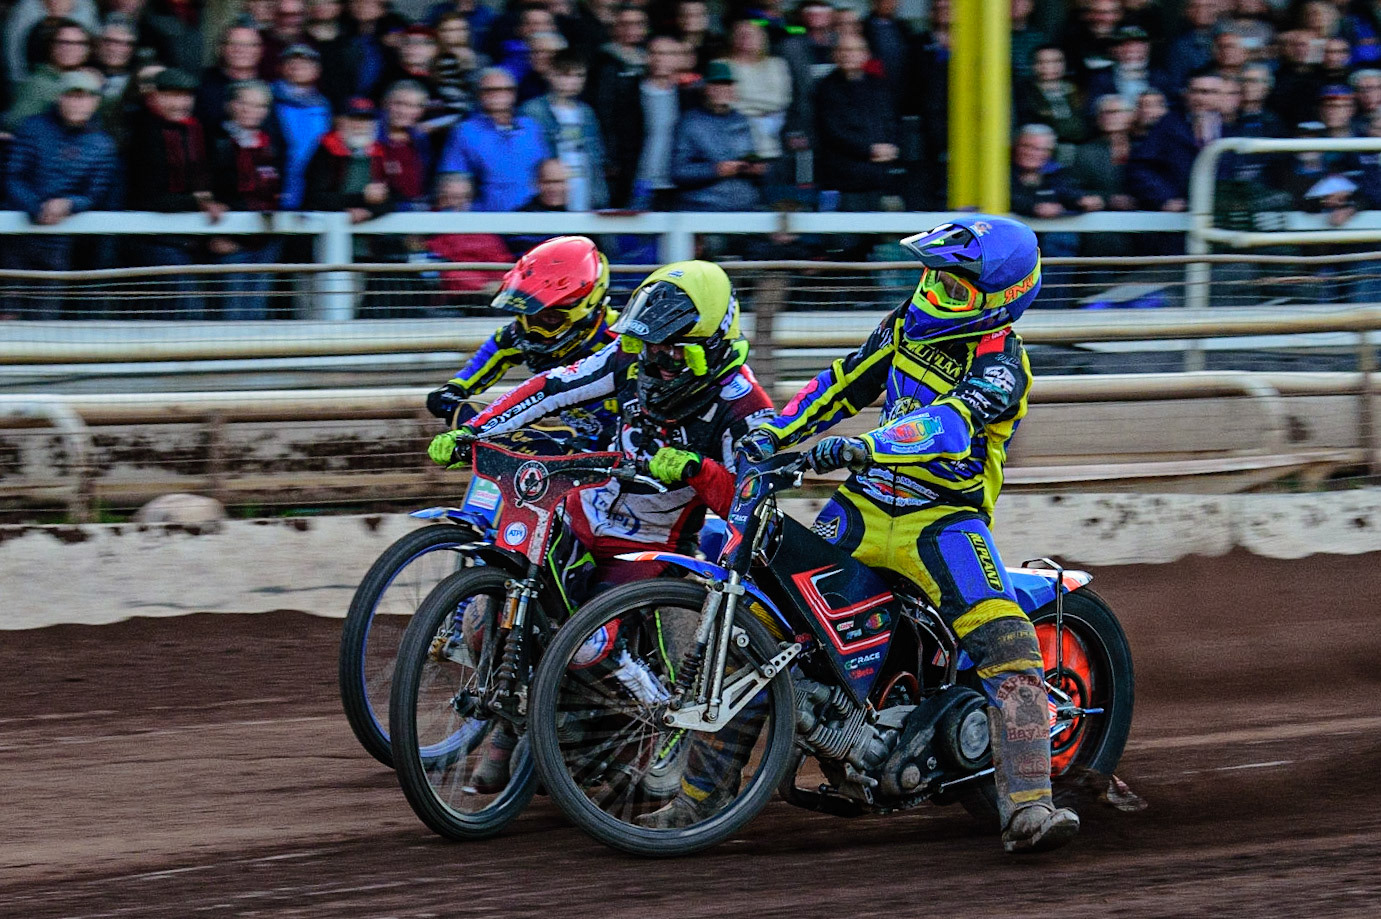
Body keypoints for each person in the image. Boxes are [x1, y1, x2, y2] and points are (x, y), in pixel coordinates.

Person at [735, 215, 1078, 854]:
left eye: (950, 285)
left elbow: (947, 424)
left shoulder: (1003, 365)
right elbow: (840, 382)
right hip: (861, 509)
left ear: (998, 298)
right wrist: (773, 432)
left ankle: (1029, 804)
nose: (932, 291)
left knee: (1011, 646)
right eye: (931, 277)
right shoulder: (902, 324)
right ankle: (693, 805)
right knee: (758, 630)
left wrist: (865, 446)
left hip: (942, 521)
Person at [424, 235, 618, 426]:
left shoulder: (622, 340)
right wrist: (456, 388)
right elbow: (495, 351)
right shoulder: (521, 333)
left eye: (549, 319)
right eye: (528, 316)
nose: (534, 331)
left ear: (586, 308)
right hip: (585, 440)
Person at [4, 69, 117, 318]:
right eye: (72, 96)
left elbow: (94, 193)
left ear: (96, 102)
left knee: (44, 319)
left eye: (86, 96)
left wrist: (68, 203)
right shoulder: (32, 128)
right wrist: (37, 207)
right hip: (16, 237)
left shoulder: (103, 144)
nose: (79, 102)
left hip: (59, 243)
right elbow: (13, 176)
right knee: (7, 315)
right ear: (59, 98)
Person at [210, 80, 283, 319]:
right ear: (231, 105)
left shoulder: (272, 143)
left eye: (259, 105)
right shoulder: (214, 140)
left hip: (266, 240)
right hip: (229, 240)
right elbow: (205, 188)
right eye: (244, 103)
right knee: (230, 314)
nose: (251, 111)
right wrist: (213, 235)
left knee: (257, 312)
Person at [438, 66, 552, 211]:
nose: (499, 94)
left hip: (534, 218)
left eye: (507, 89)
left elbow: (548, 173)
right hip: (487, 221)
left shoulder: (532, 128)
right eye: (491, 90)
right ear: (479, 94)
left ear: (514, 93)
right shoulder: (465, 132)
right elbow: (453, 183)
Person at [520, 49, 609, 210]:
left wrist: (600, 196)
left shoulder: (587, 113)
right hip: (552, 193)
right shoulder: (533, 110)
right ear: (551, 75)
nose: (574, 81)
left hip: (585, 191)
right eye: (566, 75)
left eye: (579, 76)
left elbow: (596, 158)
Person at [670, 60, 763, 211]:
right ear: (705, 88)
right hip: (704, 206)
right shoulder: (689, 122)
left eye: (726, 84)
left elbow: (752, 158)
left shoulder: (742, 120)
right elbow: (678, 172)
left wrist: (756, 168)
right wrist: (715, 170)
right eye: (716, 84)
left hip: (744, 206)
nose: (722, 89)